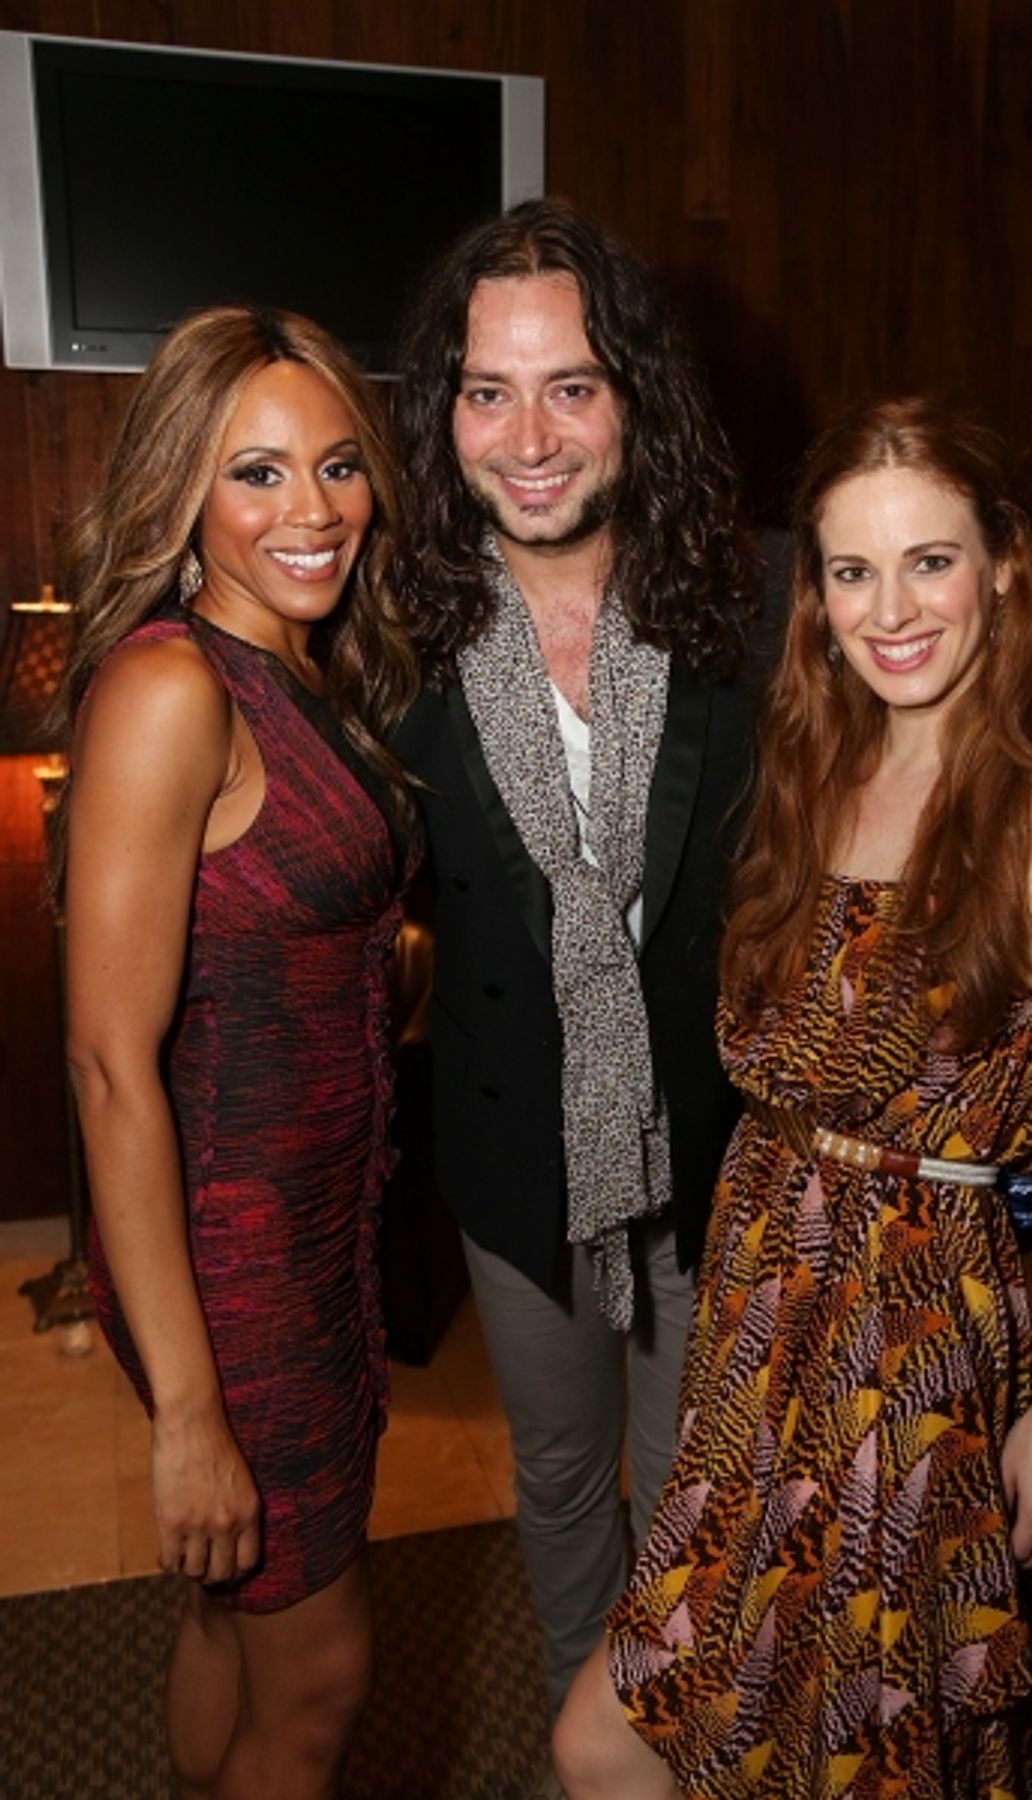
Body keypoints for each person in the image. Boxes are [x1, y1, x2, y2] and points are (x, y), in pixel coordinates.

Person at [553, 396, 1032, 1798]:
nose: (890, 609)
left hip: (914, 1350)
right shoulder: (825, 766)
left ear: (1004, 565)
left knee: (839, 1750)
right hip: (767, 1307)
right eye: (851, 571)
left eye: (930, 562)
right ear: (814, 595)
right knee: (639, 1738)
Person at [387, 197, 776, 1723]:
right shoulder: (391, 632)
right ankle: (584, 1747)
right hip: (510, 1145)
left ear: (636, 402)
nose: (529, 435)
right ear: (446, 414)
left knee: (697, 1483)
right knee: (559, 1481)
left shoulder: (762, 600)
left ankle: (674, 1741)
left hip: (723, 1139)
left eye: (572, 386)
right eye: (489, 391)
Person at [57, 304, 419, 1799]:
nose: (314, 510)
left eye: (339, 466)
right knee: (320, 1675)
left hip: (309, 1234)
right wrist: (194, 1418)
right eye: (256, 473)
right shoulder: (172, 688)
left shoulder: (294, 665)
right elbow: (104, 1066)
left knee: (231, 1620)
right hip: (232, 1268)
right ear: (182, 493)